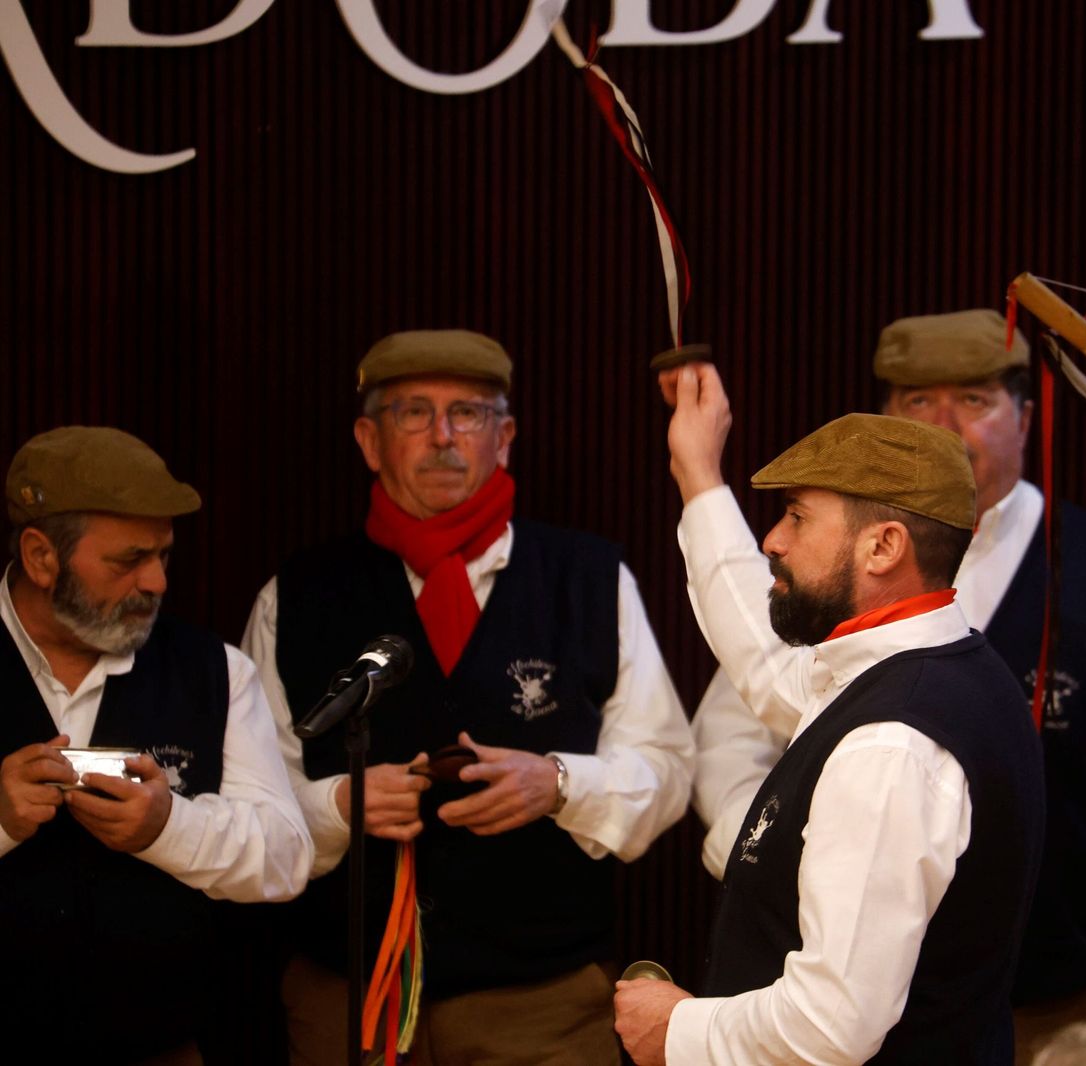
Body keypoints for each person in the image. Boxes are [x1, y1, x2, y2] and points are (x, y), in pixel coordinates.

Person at [690, 310, 1086, 1056]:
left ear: (1023, 418)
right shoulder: (824, 590)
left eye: (972, 399)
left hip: (1052, 993)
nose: (943, 424)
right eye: (917, 401)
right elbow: (760, 689)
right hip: (864, 1007)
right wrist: (773, 856)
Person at [242, 329, 694, 1065]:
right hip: (350, 1002)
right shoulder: (295, 596)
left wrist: (559, 784)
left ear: (504, 438)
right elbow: (251, 796)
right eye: (414, 413)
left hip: (545, 1004)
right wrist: (338, 806)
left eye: (469, 414)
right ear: (370, 441)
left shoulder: (589, 578)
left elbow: (668, 768)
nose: (443, 437)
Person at [613, 361, 1047, 1065]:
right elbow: (764, 662)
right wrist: (697, 473)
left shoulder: (890, 745)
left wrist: (678, 1029)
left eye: (797, 517)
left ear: (883, 547)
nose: (772, 541)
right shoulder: (941, 668)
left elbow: (829, 1025)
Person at [0, 426, 311, 1063]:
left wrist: (168, 827)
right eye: (129, 560)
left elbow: (285, 858)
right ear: (40, 557)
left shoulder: (214, 671)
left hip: (160, 1048)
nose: (158, 582)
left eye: (164, 555)